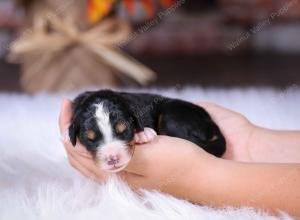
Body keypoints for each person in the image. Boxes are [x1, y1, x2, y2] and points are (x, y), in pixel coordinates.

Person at [59, 99, 300, 217]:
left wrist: (201, 177)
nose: (110, 155)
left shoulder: (137, 114)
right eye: (92, 139)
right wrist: (249, 143)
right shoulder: (98, 110)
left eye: (125, 134)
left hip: (181, 116)